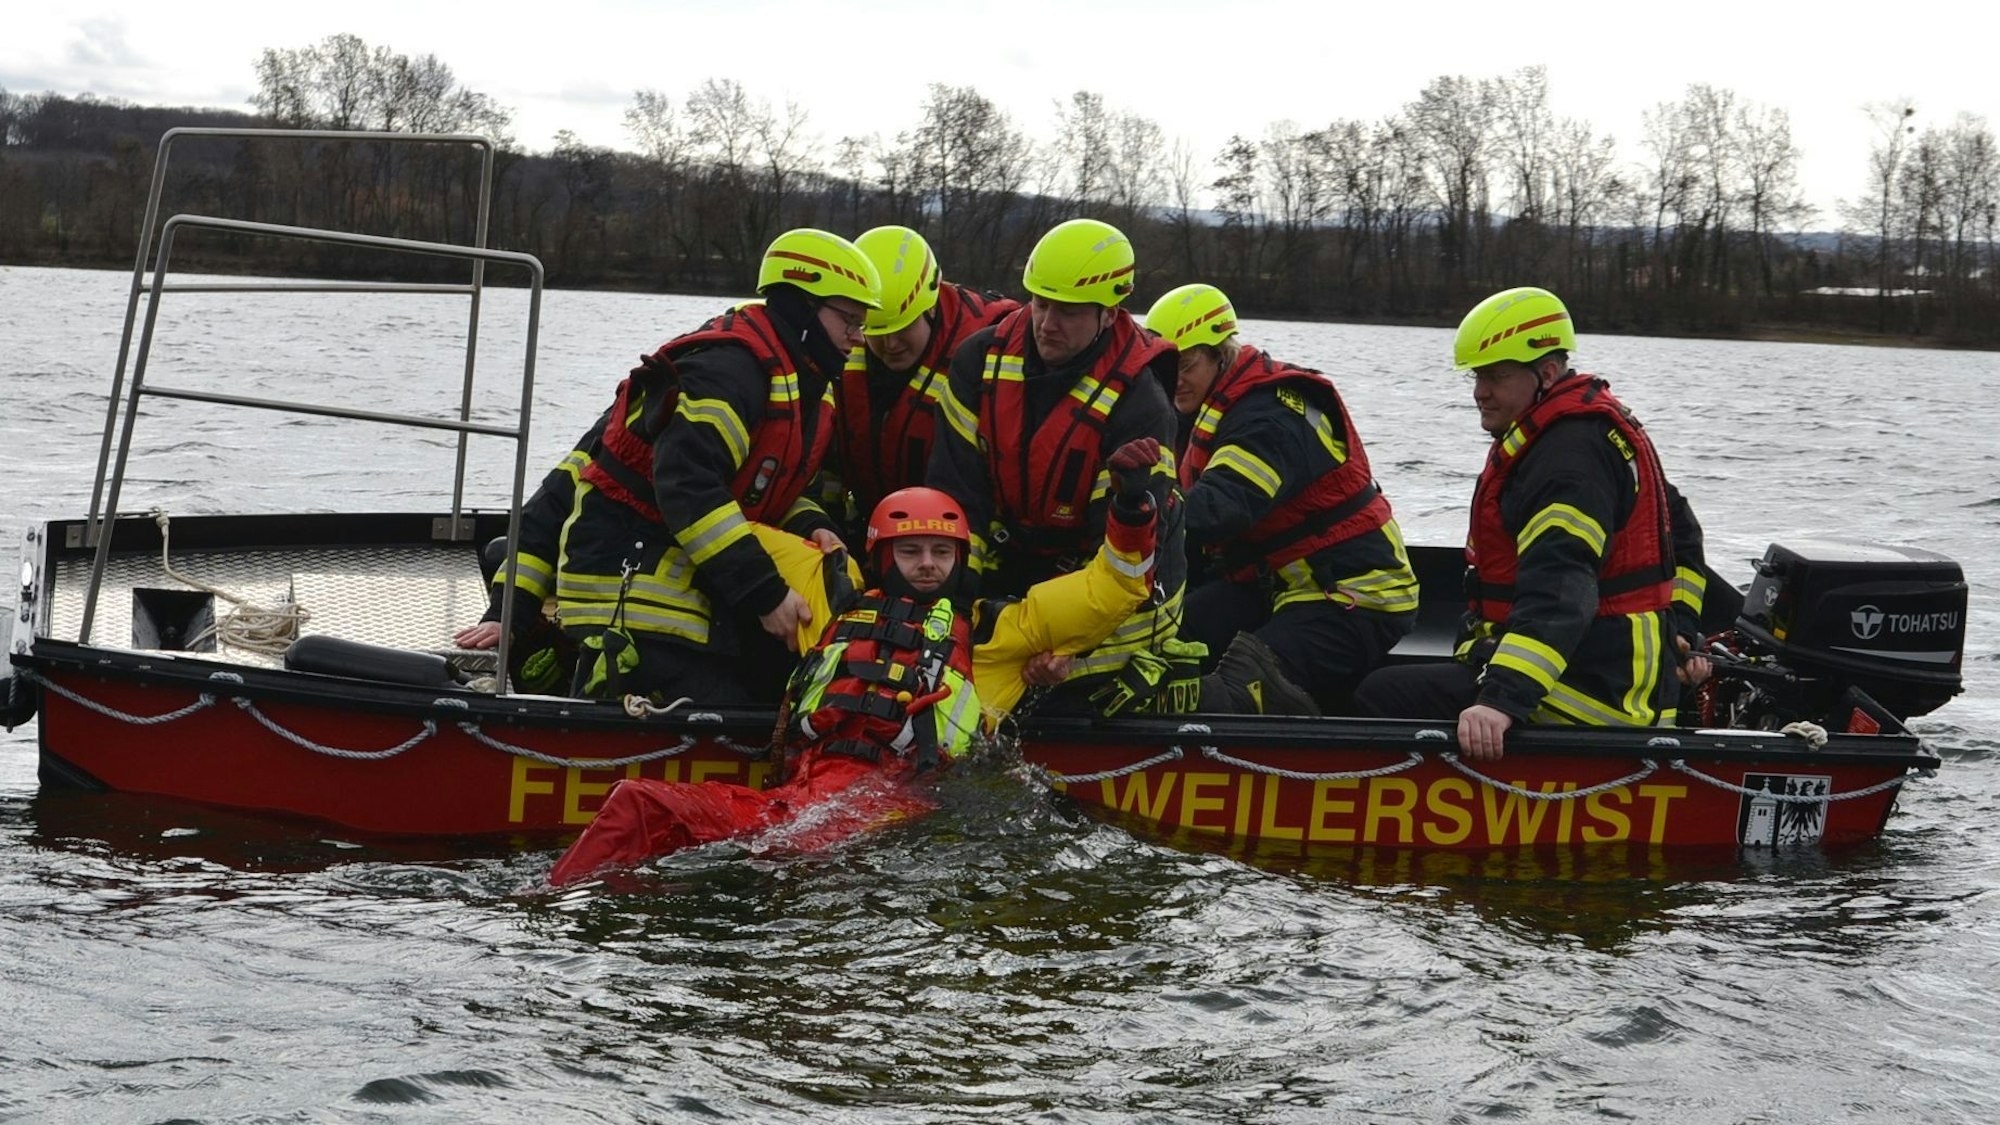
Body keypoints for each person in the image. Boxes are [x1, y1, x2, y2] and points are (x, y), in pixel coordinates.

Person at [546, 440, 1165, 886]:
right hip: (800, 798)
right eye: (911, 551)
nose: (927, 565)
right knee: (637, 803)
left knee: (789, 862)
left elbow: (1108, 591)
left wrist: (1131, 511)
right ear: (880, 554)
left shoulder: (995, 635)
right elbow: (725, 530)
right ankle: (547, 908)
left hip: (893, 806)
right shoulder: (830, 596)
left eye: (941, 553)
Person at [461, 228, 881, 705]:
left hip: (689, 578)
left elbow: (765, 485)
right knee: (737, 706)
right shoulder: (728, 373)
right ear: (803, 307)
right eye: (848, 319)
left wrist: (816, 527)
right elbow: (690, 488)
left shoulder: (799, 379)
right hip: (634, 594)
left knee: (783, 672)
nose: (857, 336)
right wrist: (766, 596)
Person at [1351, 286, 1709, 760]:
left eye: (1496, 376)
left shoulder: (1567, 460)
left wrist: (1501, 699)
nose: (1480, 391)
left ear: (1546, 373)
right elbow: (1681, 534)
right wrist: (1681, 629)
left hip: (1591, 693)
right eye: (1477, 376)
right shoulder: (1584, 434)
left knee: (1379, 697)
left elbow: (1560, 592)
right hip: (1613, 674)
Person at [926, 218, 1187, 712]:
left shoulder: (1142, 402)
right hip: (1021, 558)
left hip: (1126, 586)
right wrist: (954, 608)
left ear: (1109, 315)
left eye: (1067, 312)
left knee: (1051, 684)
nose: (1046, 324)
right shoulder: (978, 360)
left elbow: (1118, 564)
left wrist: (1071, 647)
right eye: (1040, 304)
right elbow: (958, 497)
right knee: (940, 650)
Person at [1143, 283, 1419, 715]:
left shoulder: (1269, 416)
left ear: (1221, 353)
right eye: (1165, 369)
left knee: (1241, 690)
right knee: (1161, 634)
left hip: (1352, 597)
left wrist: (1127, 516)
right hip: (1276, 586)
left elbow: (1218, 509)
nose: (1174, 379)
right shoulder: (1202, 410)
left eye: (1186, 365)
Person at [824, 226, 1020, 532]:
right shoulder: (842, 342)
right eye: (877, 332)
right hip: (868, 529)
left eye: (903, 328)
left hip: (950, 539)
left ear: (931, 306)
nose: (890, 344)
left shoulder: (988, 351)